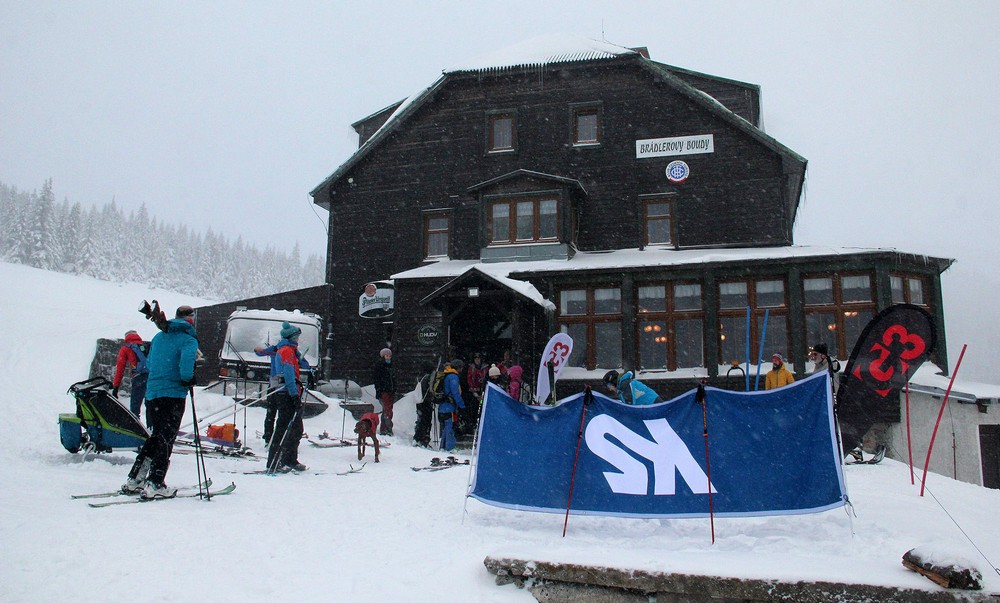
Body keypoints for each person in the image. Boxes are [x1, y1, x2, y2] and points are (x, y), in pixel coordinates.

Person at [121, 305, 198, 499]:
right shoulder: (189, 340)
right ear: (191, 320)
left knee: (156, 436)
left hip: (153, 393)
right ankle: (155, 482)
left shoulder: (158, 338)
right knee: (166, 438)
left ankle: (135, 478)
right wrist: (189, 379)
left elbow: (149, 364)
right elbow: (186, 370)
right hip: (173, 395)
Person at [266, 322, 309, 473]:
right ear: (292, 337)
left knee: (296, 428)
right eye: (297, 337)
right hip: (286, 393)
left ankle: (290, 459)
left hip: (287, 392)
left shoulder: (290, 350)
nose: (298, 339)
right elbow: (289, 375)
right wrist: (294, 395)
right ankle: (275, 462)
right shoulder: (286, 351)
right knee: (284, 428)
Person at [255, 339, 310, 446]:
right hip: (275, 385)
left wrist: (298, 362)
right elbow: (260, 353)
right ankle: (269, 438)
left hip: (284, 386)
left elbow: (305, 365)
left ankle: (277, 439)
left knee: (278, 414)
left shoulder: (293, 351)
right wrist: (257, 350)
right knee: (271, 413)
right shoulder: (275, 349)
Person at [111, 330, 150, 422]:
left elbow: (120, 369)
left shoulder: (126, 348)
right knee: (150, 404)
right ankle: (151, 426)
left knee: (135, 407)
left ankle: (136, 425)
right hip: (151, 377)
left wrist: (116, 386)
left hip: (138, 378)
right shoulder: (146, 346)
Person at [439, 359, 466, 451]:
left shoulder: (446, 374)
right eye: (461, 367)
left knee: (446, 426)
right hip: (449, 406)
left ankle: (443, 447)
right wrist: (462, 405)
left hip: (443, 405)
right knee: (450, 426)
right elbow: (456, 393)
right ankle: (449, 448)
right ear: (458, 367)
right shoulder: (453, 377)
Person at [372, 348, 396, 436]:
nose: (388, 357)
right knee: (387, 410)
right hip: (383, 392)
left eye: (389, 356)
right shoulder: (379, 366)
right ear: (383, 356)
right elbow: (377, 380)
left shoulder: (391, 367)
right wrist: (379, 391)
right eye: (386, 356)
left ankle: (384, 428)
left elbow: (393, 379)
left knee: (388, 410)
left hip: (391, 391)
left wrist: (394, 388)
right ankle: (388, 429)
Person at [413, 363, 436, 448]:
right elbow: (430, 389)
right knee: (426, 421)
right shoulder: (428, 377)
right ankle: (422, 439)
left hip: (419, 401)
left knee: (421, 420)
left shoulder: (420, 377)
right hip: (426, 402)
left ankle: (418, 438)